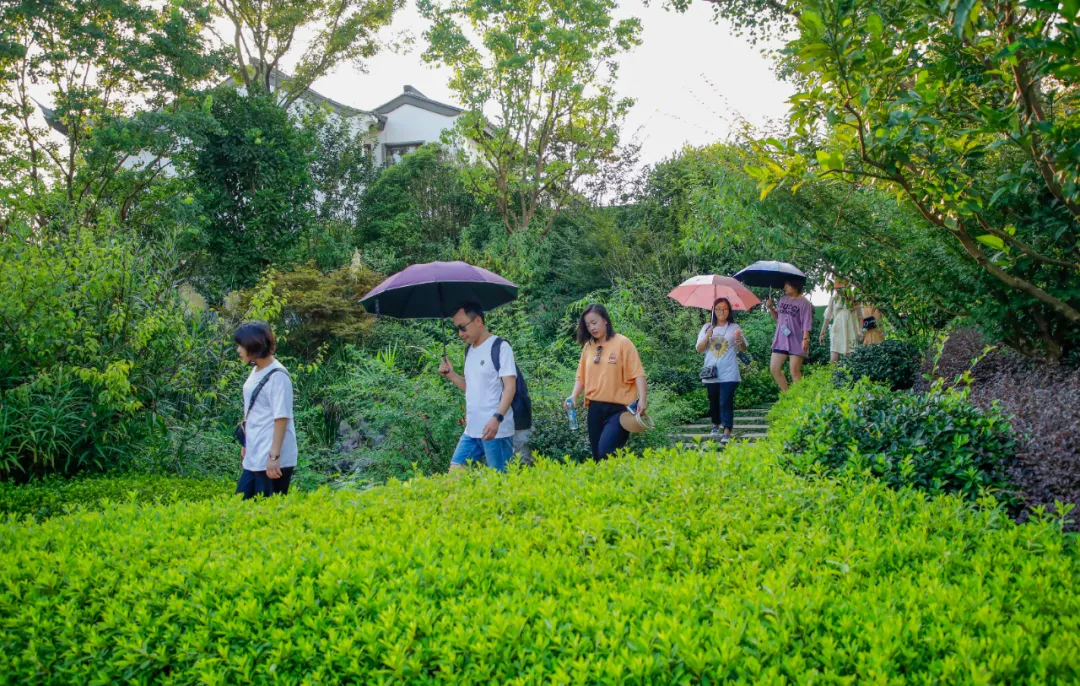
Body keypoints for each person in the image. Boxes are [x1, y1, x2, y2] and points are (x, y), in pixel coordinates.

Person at [438, 303, 517, 472]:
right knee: (455, 475)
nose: (460, 334)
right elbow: (472, 388)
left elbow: (510, 387)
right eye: (456, 329)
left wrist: (497, 418)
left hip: (496, 431)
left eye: (462, 327)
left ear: (478, 320)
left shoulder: (500, 347)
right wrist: (451, 375)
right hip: (472, 430)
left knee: (501, 485)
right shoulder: (470, 351)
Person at [565, 304, 647, 461]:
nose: (591, 328)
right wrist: (573, 396)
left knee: (606, 452)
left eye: (594, 322)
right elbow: (581, 376)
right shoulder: (588, 347)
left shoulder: (623, 343)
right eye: (588, 325)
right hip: (595, 408)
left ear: (605, 320)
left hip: (619, 410)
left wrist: (643, 399)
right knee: (597, 456)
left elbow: (638, 373)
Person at [234, 321, 297, 499]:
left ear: (253, 345)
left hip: (272, 456)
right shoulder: (257, 370)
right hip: (255, 452)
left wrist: (274, 457)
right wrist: (247, 444)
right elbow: (255, 411)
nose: (238, 350)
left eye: (241, 345)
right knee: (241, 504)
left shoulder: (278, 375)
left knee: (266, 513)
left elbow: (281, 418)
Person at [696, 297, 747, 443]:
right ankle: (715, 424)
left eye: (724, 308)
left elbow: (743, 348)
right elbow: (699, 349)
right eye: (718, 308)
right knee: (713, 401)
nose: (721, 311)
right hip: (710, 372)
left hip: (729, 372)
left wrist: (740, 340)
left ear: (729, 310)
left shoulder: (734, 327)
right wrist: (707, 337)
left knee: (726, 401)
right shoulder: (706, 327)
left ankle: (726, 430)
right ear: (713, 311)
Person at [766, 279, 813, 392]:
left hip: (796, 340)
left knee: (794, 371)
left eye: (787, 285)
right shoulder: (782, 300)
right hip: (780, 339)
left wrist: (805, 338)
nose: (784, 288)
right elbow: (778, 318)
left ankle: (800, 401)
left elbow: (806, 321)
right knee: (774, 368)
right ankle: (788, 396)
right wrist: (770, 308)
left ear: (795, 285)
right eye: (785, 285)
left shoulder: (804, 303)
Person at [819, 279, 863, 363]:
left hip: (851, 330)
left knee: (850, 358)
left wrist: (861, 331)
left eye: (840, 288)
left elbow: (860, 317)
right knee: (833, 360)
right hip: (837, 329)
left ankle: (846, 375)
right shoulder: (834, 298)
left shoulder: (854, 298)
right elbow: (828, 316)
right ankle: (834, 375)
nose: (838, 291)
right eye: (836, 289)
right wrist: (822, 332)